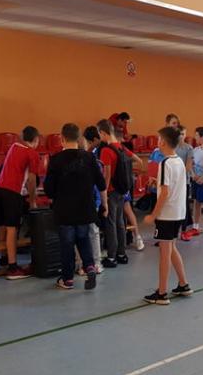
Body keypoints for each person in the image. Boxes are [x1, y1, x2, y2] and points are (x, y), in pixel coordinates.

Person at [44, 123, 108, 290]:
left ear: (62, 138)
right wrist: (104, 204)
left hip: (64, 210)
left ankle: (67, 279)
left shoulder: (56, 160)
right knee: (83, 240)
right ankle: (90, 267)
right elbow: (101, 184)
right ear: (79, 138)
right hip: (85, 208)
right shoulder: (89, 158)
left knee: (67, 245)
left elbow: (49, 189)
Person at [143, 126, 193, 305]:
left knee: (164, 253)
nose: (157, 141)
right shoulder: (178, 161)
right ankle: (183, 284)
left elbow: (165, 193)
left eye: (159, 139)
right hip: (178, 212)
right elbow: (172, 184)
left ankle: (162, 293)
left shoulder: (165, 163)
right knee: (171, 248)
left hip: (167, 214)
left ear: (163, 142)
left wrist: (153, 215)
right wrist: (157, 182)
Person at [0, 125, 40, 279]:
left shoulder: (13, 147)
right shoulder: (32, 153)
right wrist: (32, 200)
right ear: (36, 139)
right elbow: (32, 180)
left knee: (1, 225)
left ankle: (3, 259)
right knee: (12, 228)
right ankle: (13, 267)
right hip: (12, 192)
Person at [97, 119, 137, 268]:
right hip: (123, 190)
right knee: (120, 222)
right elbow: (137, 160)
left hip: (112, 191)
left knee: (111, 223)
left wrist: (103, 193)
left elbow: (106, 175)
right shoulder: (121, 148)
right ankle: (122, 254)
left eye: (99, 134)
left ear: (103, 132)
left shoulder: (106, 151)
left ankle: (112, 257)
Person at [81, 126, 105, 275]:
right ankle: (82, 264)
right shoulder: (82, 157)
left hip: (93, 199)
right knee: (81, 232)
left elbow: (100, 183)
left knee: (93, 231)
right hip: (82, 200)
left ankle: (96, 262)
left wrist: (103, 202)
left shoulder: (95, 158)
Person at [175, 125, 195, 239]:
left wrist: (179, 177)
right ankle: (172, 231)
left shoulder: (189, 148)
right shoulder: (171, 147)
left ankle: (184, 230)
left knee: (184, 206)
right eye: (179, 134)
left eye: (183, 134)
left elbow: (188, 166)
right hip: (172, 182)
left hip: (183, 182)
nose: (181, 136)